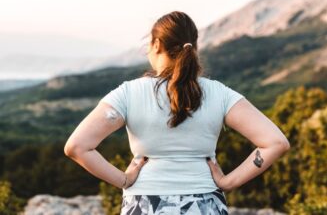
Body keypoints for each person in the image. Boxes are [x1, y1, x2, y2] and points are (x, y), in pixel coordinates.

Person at [64, 11, 290, 215]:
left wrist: (123, 179)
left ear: (157, 44)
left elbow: (77, 147)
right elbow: (276, 143)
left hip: (145, 205)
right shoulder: (219, 93)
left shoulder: (128, 93)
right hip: (205, 205)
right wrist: (229, 181)